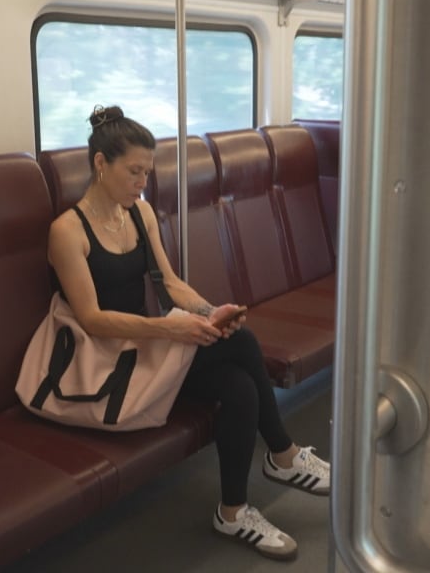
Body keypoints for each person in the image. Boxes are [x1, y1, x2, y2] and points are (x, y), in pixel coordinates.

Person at [48, 105, 331, 561]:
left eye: (147, 172)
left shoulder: (137, 214)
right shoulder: (67, 231)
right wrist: (169, 330)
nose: (143, 182)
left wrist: (208, 310)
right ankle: (282, 452)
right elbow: (92, 319)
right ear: (101, 164)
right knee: (240, 343)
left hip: (142, 346)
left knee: (240, 386)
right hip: (103, 361)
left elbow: (169, 282)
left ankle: (233, 512)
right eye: (134, 172)